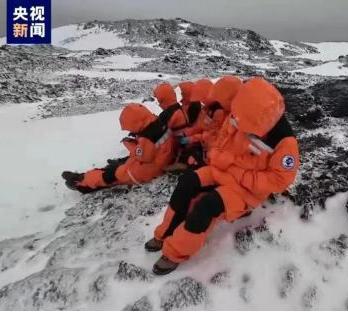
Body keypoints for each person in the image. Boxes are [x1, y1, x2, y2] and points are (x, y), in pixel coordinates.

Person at [145, 77, 300, 275]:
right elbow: (219, 140)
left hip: (245, 190)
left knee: (207, 205)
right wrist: (217, 156)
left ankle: (175, 253)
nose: (237, 122)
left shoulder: (285, 143)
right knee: (187, 181)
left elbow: (279, 181)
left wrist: (239, 173)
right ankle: (164, 233)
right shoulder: (239, 113)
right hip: (221, 170)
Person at [62, 82, 200, 192]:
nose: (157, 102)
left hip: (147, 169)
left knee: (112, 176)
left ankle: (81, 183)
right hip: (162, 158)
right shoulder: (158, 121)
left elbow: (143, 156)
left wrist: (130, 144)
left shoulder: (153, 131)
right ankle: (89, 175)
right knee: (118, 168)